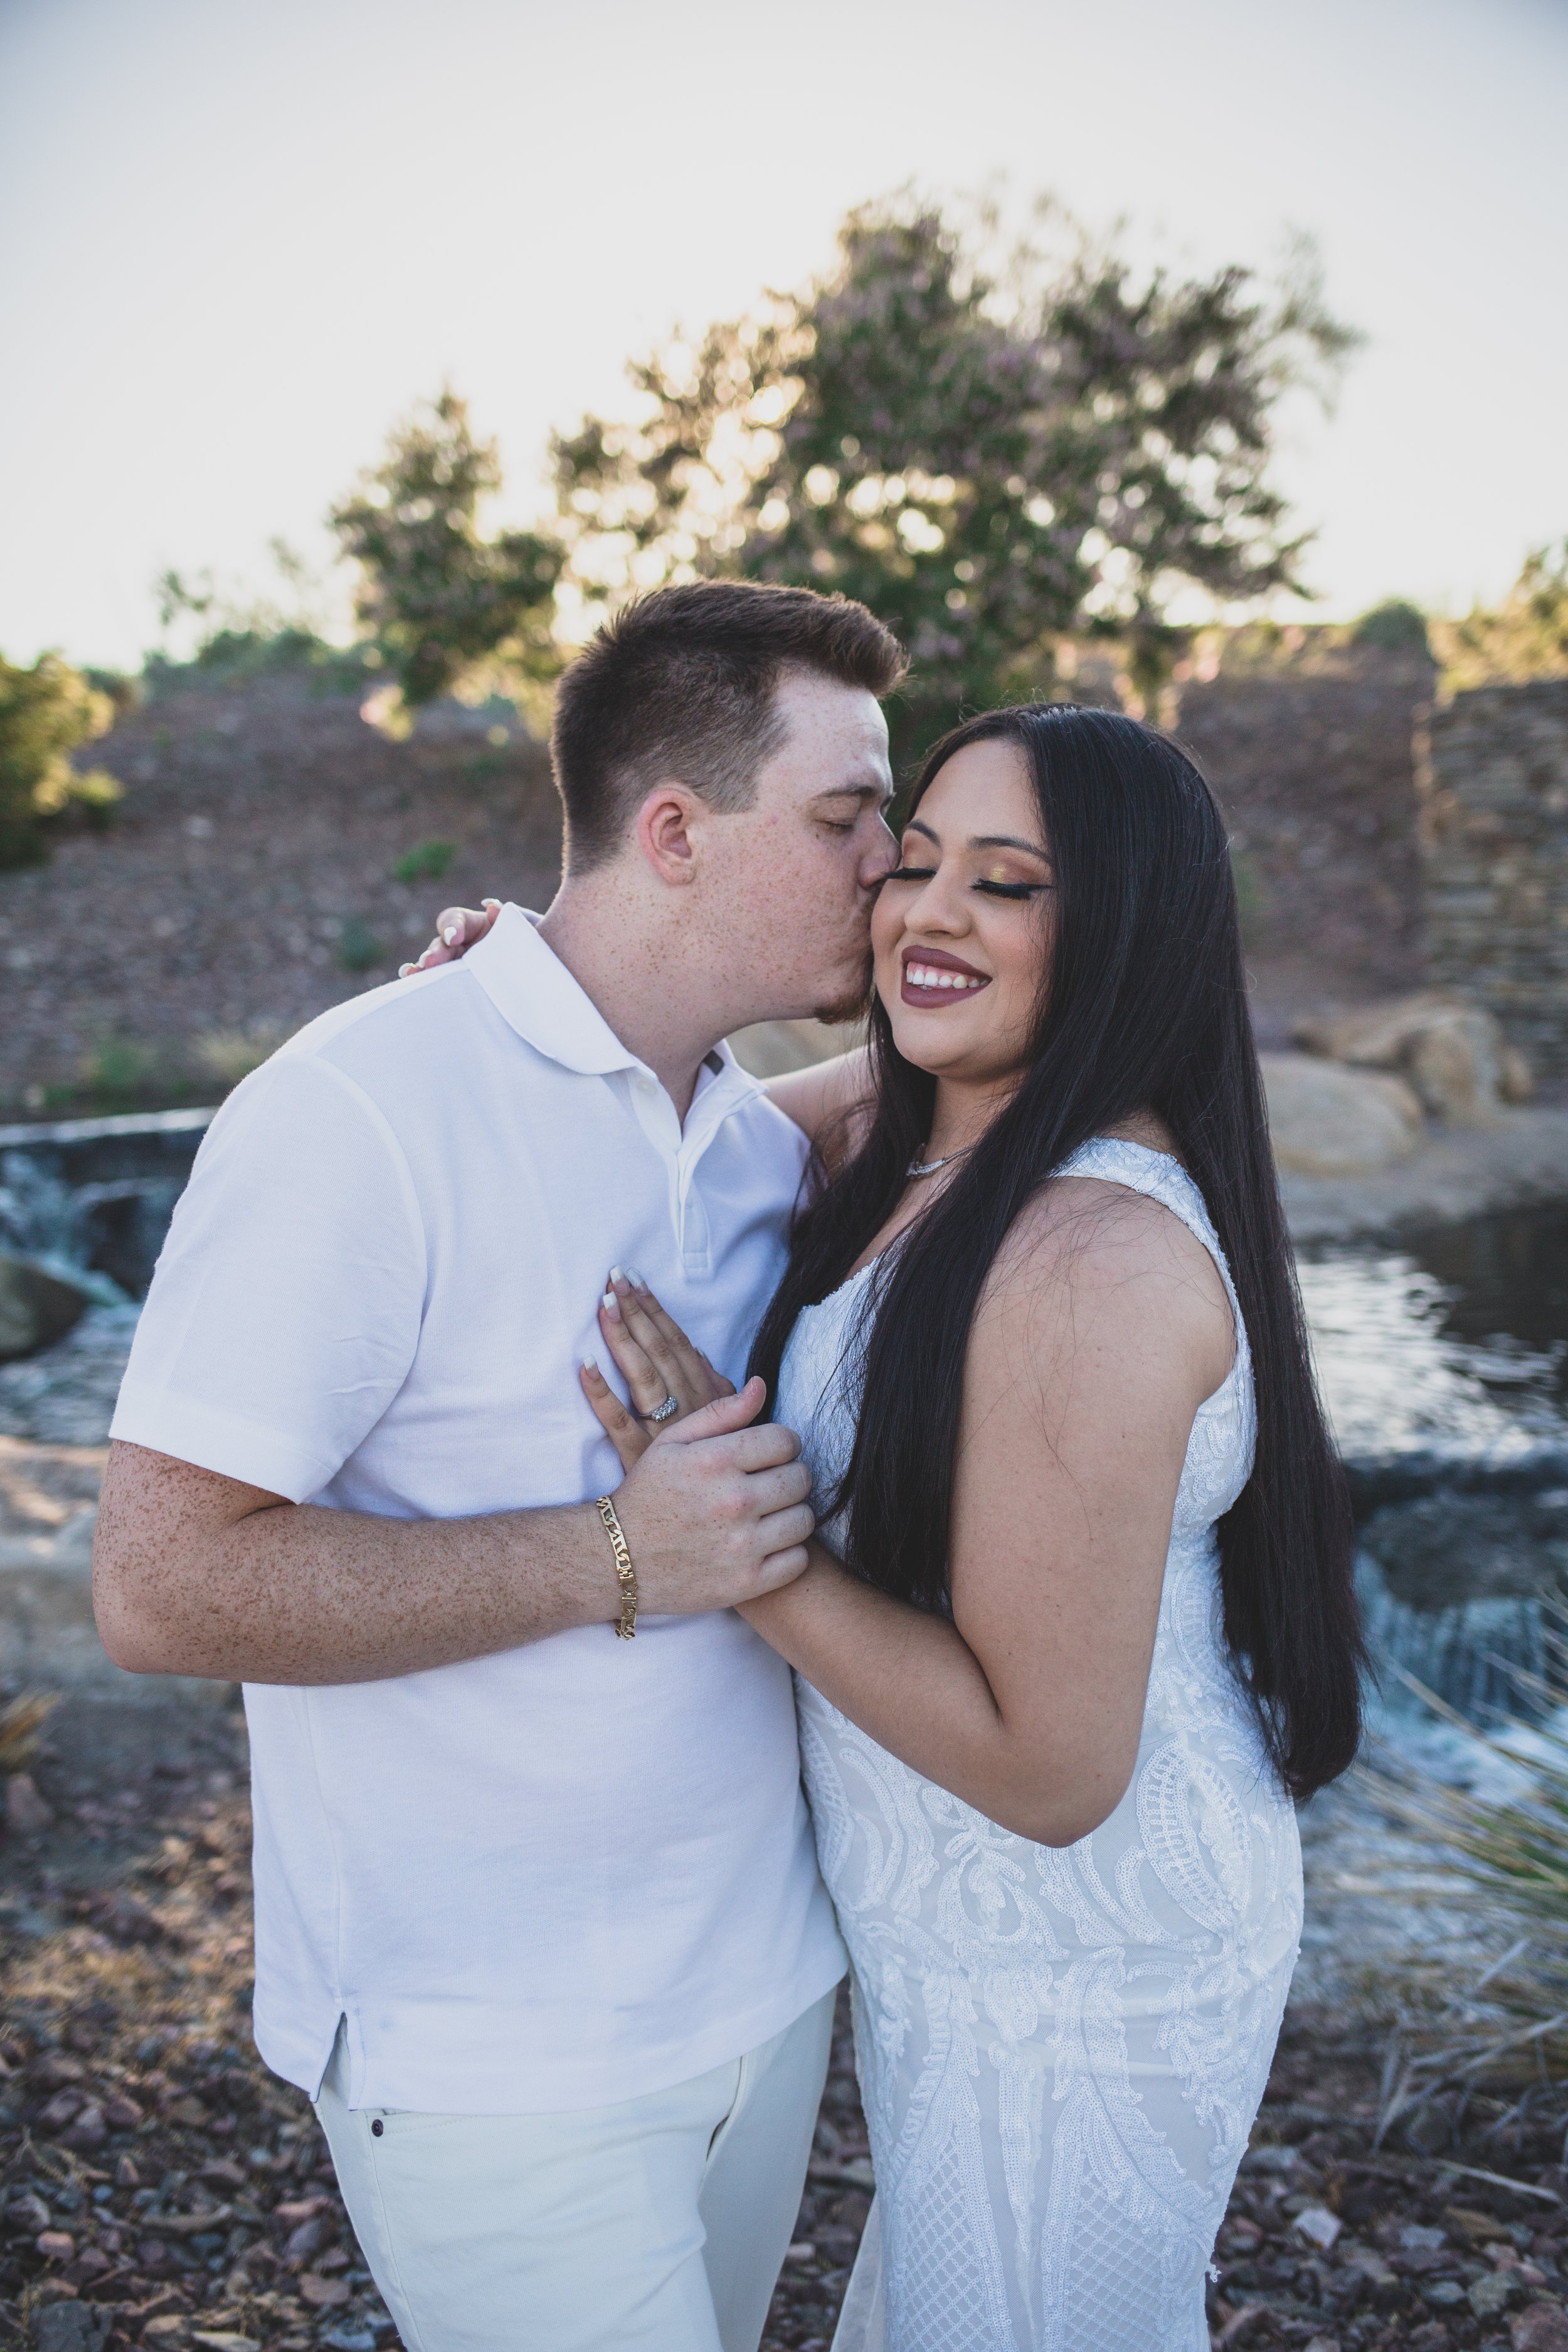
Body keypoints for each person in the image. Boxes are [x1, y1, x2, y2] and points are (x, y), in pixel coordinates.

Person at [90, 580, 911, 2352]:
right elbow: (156, 1587)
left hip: (767, 1996)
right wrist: (620, 1553)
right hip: (494, 2057)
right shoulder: (362, 1110)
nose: (890, 867)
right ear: (675, 828)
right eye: (850, 820)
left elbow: (957, 1052)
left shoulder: (738, 1132)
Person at [497, 702, 1365, 2351]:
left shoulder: (1086, 1264)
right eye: (911, 863)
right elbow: (681, 1098)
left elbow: (1048, 1770)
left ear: (1120, 930)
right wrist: (524, 980)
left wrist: (737, 1541)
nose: (927, 914)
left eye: (1008, 884)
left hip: (1074, 1951)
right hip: (966, 1941)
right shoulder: (929, 1142)